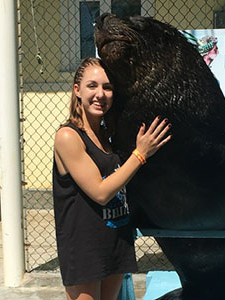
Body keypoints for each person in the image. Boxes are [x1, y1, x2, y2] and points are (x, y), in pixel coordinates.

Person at [53, 57, 171, 300]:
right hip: (85, 245)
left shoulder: (107, 136)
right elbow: (100, 192)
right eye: (92, 86)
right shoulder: (68, 136)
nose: (100, 94)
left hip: (115, 239)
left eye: (107, 87)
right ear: (77, 90)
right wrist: (140, 154)